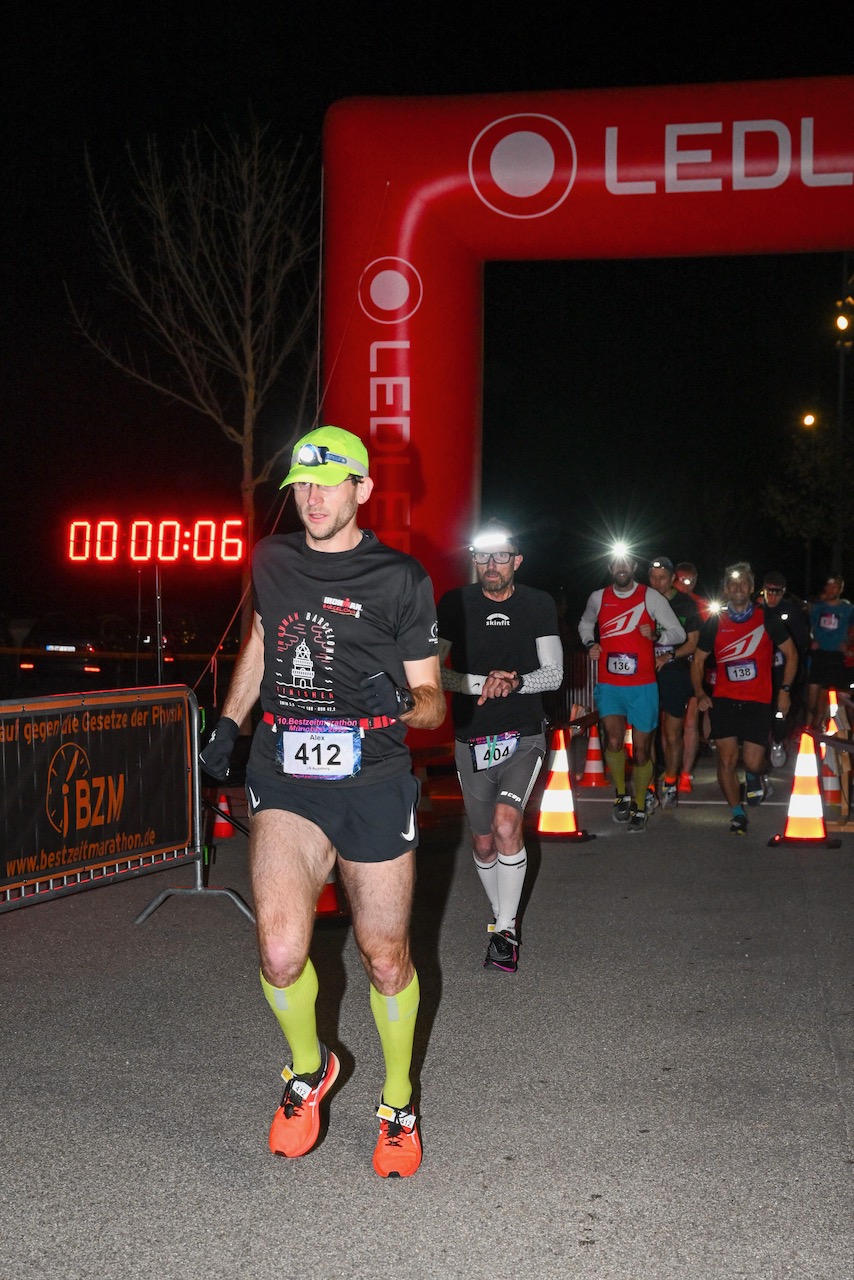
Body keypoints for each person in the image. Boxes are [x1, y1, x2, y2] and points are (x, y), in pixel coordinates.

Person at [199, 425, 445, 1179]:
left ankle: (398, 1104)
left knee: (384, 956)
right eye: (301, 485)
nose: (310, 499)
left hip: (373, 777)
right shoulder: (272, 560)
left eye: (327, 483)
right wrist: (230, 722)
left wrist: (400, 698)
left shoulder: (401, 578)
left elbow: (435, 707)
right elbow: (267, 639)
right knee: (279, 951)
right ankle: (309, 1071)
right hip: (288, 774)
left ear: (362, 490)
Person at [437, 520, 562, 974]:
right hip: (471, 739)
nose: (491, 565)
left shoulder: (538, 604)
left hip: (523, 736)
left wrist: (515, 681)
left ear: (517, 560)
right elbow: (433, 674)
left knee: (508, 824)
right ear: (474, 559)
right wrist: (480, 682)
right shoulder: (454, 604)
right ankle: (500, 917)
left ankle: (505, 931)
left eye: (501, 557)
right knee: (485, 842)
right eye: (483, 557)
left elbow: (555, 673)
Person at [578, 551, 685, 833]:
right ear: (611, 567)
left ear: (633, 567)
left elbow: (679, 633)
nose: (621, 568)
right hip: (611, 684)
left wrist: (658, 636)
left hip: (643, 686)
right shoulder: (598, 597)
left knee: (640, 751)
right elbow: (585, 623)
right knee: (613, 740)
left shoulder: (651, 597)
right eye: (616, 564)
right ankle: (621, 795)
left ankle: (640, 803)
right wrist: (590, 643)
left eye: (626, 564)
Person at [691, 562, 797, 835]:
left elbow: (792, 654)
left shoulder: (766, 619)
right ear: (726, 589)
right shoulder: (715, 622)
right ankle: (737, 813)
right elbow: (698, 662)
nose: (737, 588)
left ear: (751, 589)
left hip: (758, 700)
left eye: (743, 584)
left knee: (752, 761)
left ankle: (754, 776)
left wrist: (784, 691)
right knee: (725, 759)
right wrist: (701, 693)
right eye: (732, 584)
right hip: (724, 699)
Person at [647, 556, 701, 809]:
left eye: (661, 578)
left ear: (672, 579)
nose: (656, 582)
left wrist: (669, 655)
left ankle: (670, 782)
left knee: (672, 732)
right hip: (646, 673)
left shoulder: (686, 604)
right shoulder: (643, 600)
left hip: (676, 672)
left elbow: (692, 643)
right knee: (645, 732)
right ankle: (648, 786)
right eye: (652, 578)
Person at [757, 570, 810, 765]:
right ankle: (758, 747)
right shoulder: (754, 610)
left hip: (782, 669)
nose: (772, 596)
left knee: (780, 710)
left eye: (777, 592)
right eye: (768, 591)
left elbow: (800, 645)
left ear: (783, 591)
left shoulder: (792, 611)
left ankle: (778, 741)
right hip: (758, 671)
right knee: (758, 711)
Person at [674, 560, 713, 783]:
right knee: (668, 724)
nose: (685, 585)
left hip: (693, 667)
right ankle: (669, 765)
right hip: (669, 668)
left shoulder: (702, 605)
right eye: (681, 580)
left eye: (689, 581)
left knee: (690, 720)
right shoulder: (663, 602)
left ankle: (686, 773)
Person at [807, 575, 854, 729]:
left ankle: (815, 733)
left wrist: (847, 644)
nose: (831, 589)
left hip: (835, 657)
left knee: (823, 700)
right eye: (828, 586)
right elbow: (810, 629)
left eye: (835, 587)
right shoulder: (817, 608)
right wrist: (812, 641)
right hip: (818, 655)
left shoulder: (848, 609)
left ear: (840, 589)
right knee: (811, 700)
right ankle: (812, 726)